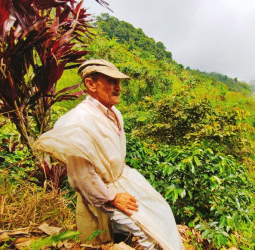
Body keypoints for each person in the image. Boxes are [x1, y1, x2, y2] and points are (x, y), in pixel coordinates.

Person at [33, 59, 184, 250]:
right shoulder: (77, 122)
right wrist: (112, 197)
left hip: (124, 179)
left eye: (119, 82)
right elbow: (82, 177)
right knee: (149, 234)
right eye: (112, 81)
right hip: (102, 191)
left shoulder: (115, 113)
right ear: (91, 84)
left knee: (162, 213)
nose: (118, 88)